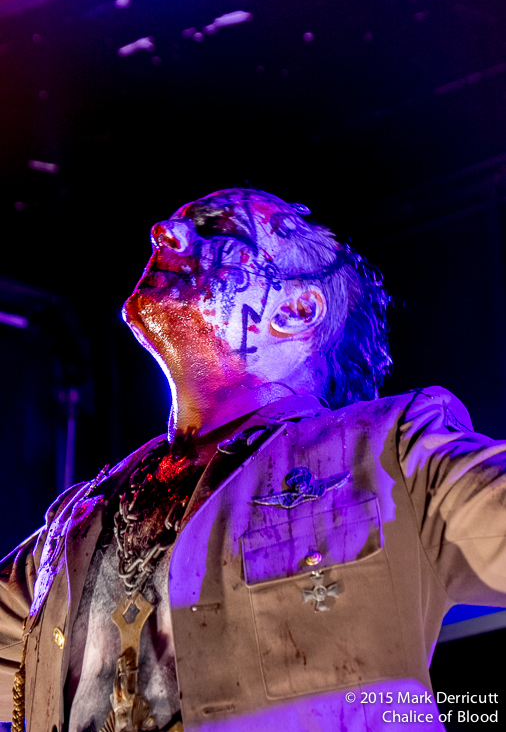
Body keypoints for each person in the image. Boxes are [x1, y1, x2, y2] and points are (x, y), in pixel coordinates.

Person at [1, 186, 506, 732]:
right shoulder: (74, 523)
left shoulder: (390, 451)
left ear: (295, 310)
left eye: (218, 229)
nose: (163, 233)